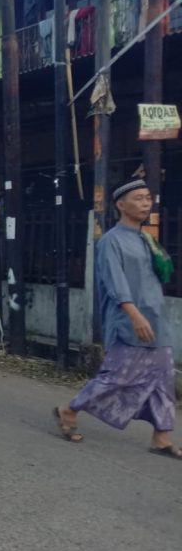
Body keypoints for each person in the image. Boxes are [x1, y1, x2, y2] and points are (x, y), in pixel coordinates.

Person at [55, 180, 178, 458]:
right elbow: (114, 282)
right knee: (116, 377)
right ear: (121, 205)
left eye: (148, 198)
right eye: (138, 198)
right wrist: (134, 315)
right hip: (130, 320)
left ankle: (161, 437)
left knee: (162, 380)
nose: (145, 203)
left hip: (156, 319)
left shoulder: (146, 238)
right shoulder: (112, 241)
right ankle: (70, 409)